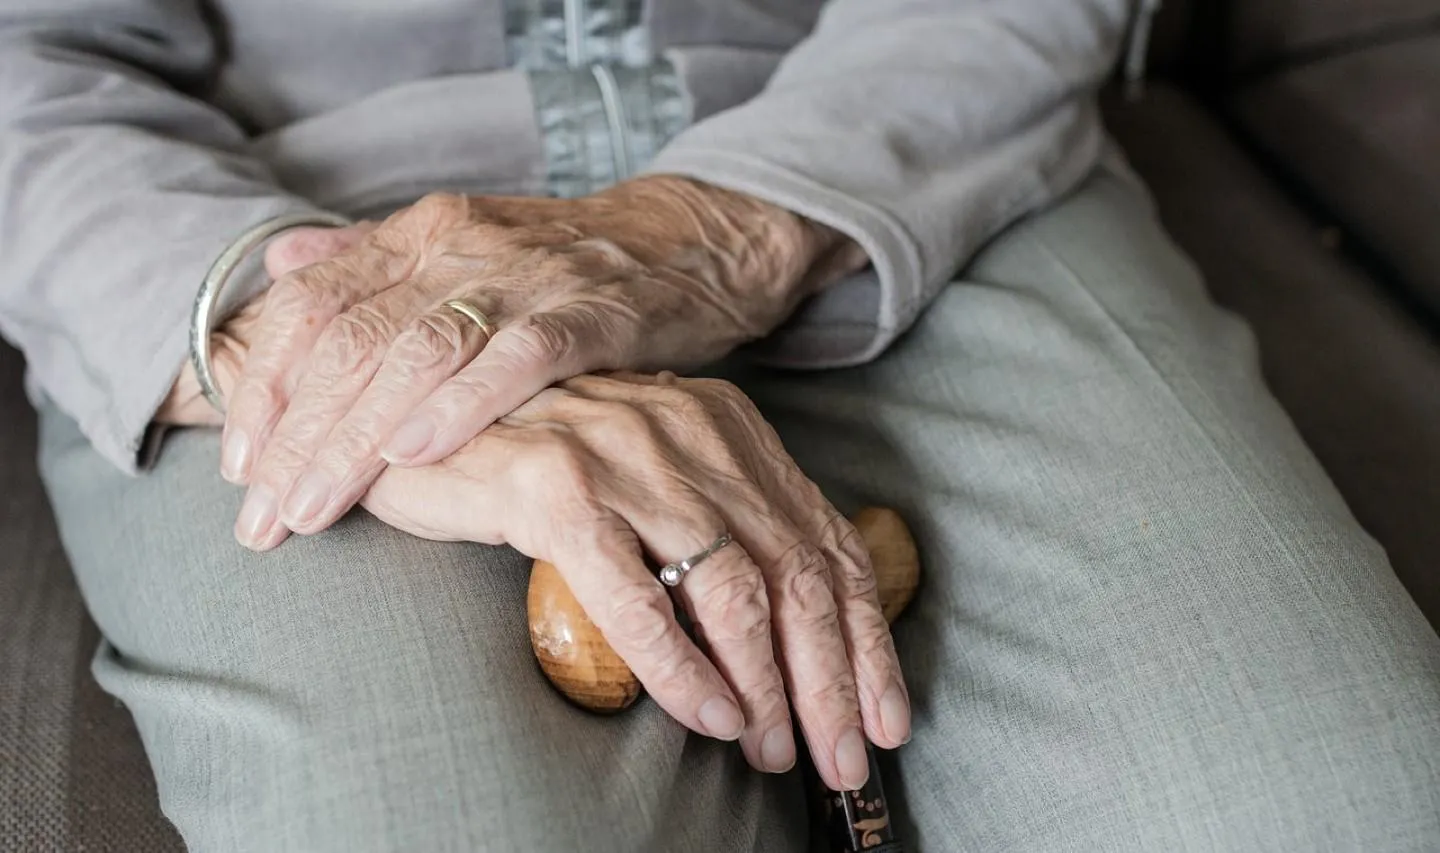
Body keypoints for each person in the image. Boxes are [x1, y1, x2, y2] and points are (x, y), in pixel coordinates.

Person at [3, 0, 1438, 850]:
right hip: (289, 238)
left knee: (1331, 806)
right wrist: (327, 348)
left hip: (916, 163)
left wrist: (710, 229)